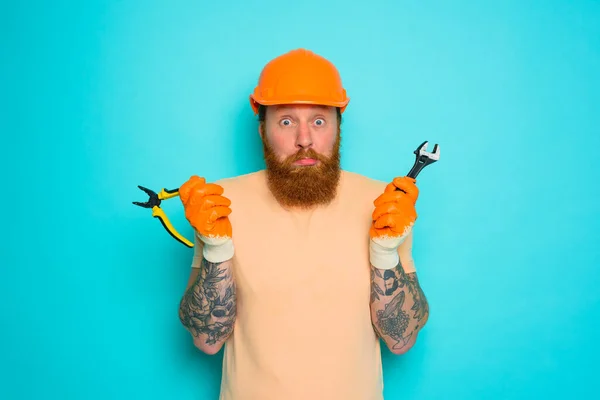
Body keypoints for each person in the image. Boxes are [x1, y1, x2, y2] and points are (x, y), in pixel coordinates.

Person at [177, 48, 430, 400]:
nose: (304, 140)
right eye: (285, 121)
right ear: (262, 127)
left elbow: (401, 340)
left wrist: (385, 254)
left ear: (338, 125)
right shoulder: (218, 204)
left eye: (319, 120)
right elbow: (206, 339)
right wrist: (217, 250)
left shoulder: (385, 204)